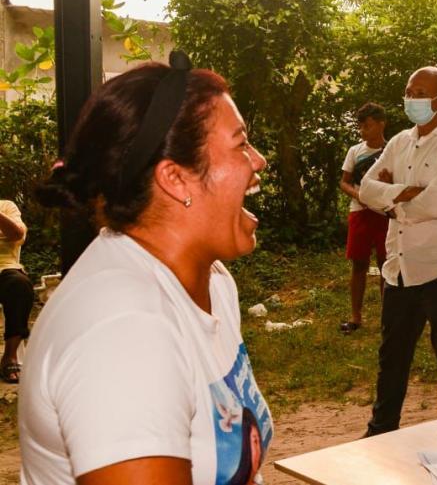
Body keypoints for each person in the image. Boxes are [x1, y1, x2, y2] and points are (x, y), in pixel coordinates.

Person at [20, 52, 274, 484]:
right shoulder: (122, 330)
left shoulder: (212, 282)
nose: (259, 160)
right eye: (240, 144)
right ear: (175, 179)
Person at [358, 66, 437, 434]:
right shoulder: (398, 142)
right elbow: (365, 189)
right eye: (409, 92)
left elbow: (435, 204)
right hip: (400, 270)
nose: (413, 99)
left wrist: (390, 203)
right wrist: (403, 194)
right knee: (391, 360)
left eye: (422, 93)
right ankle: (380, 433)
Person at [337, 102, 389, 334]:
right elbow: (344, 182)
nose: (362, 131)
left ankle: (387, 317)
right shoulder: (355, 151)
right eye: (360, 126)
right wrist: (359, 195)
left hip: (385, 213)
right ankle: (355, 317)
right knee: (359, 264)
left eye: (367, 126)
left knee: (386, 264)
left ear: (381, 124)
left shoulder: (392, 150)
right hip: (360, 212)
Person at [0, 199, 33, 384]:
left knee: (20, 285)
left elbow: (17, 234)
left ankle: (10, 356)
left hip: (4, 269)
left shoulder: (6, 207)